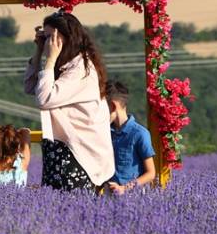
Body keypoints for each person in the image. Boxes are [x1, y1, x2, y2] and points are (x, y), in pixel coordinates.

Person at [23, 11, 113, 191]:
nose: (48, 42)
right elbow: (30, 86)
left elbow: (44, 98)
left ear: (65, 39)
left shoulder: (80, 70)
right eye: (45, 37)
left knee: (72, 213)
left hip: (78, 155)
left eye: (51, 38)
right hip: (61, 151)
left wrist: (50, 59)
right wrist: (39, 51)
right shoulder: (63, 67)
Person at [103, 79, 157, 195]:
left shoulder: (140, 134)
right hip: (108, 199)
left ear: (112, 106)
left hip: (133, 199)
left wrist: (124, 188)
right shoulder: (105, 132)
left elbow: (151, 173)